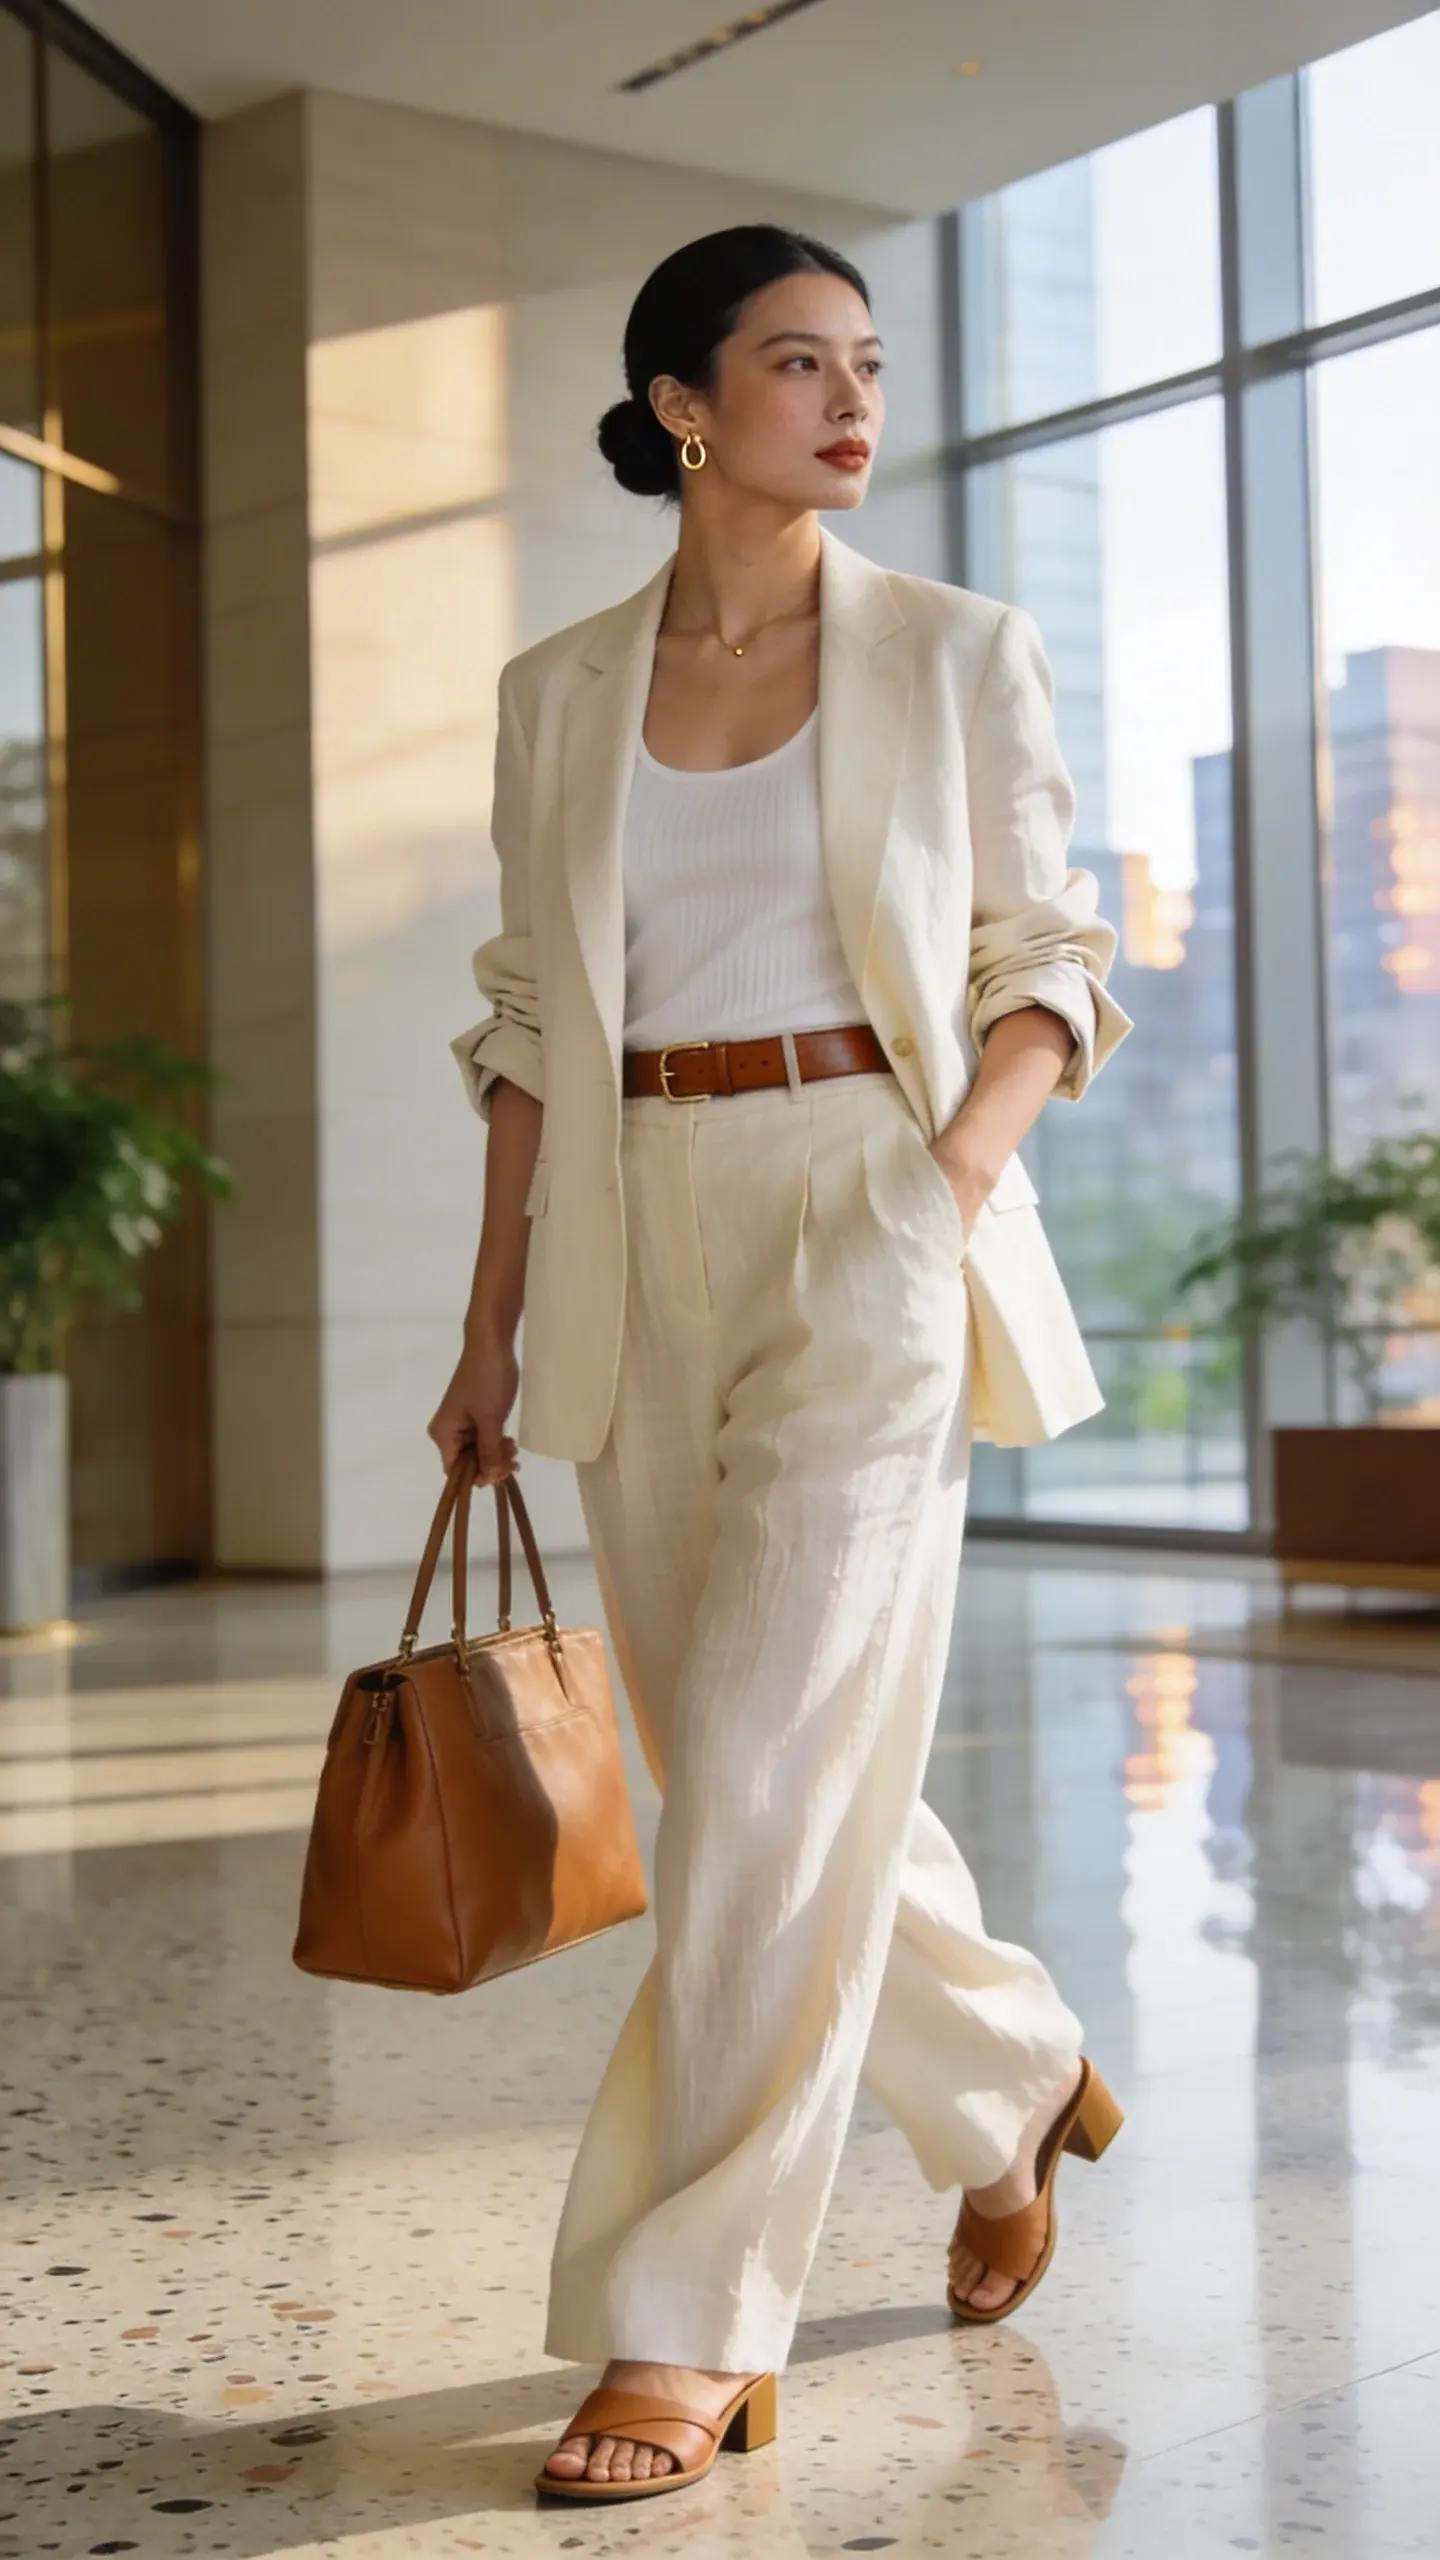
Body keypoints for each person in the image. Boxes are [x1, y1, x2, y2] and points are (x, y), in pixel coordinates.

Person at [429, 224, 1134, 2509]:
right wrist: (485, 1319)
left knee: (753, 1761)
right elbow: (532, 1022)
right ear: (680, 406)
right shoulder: (558, 691)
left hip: (870, 1199)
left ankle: (688, 2318)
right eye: (796, 363)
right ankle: (1012, 2072)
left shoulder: (953, 651)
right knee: (764, 1772)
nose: (852, 402)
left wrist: (939, 1185)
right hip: (639, 1222)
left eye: (870, 364)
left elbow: (1048, 958)